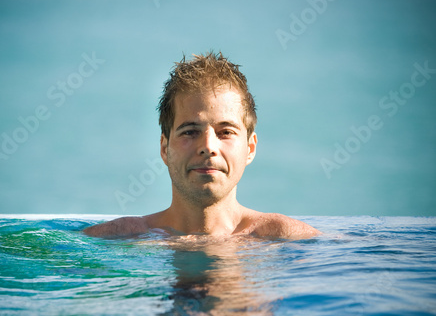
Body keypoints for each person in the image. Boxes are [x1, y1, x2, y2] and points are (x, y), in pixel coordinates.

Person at [84, 51, 320, 238]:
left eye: (225, 132)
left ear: (250, 148)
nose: (208, 146)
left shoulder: (285, 238)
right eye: (190, 132)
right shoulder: (118, 238)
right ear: (165, 149)